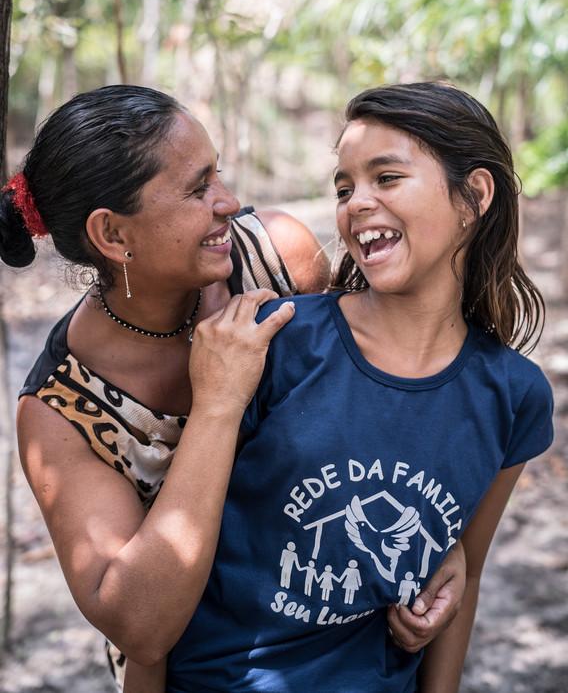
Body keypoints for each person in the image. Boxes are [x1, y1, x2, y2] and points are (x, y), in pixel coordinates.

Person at [0, 85, 465, 693]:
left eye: (218, 175)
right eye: (198, 189)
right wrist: (218, 403)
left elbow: (369, 416)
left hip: (335, 634)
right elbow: (141, 628)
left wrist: (435, 542)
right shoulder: (61, 413)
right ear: (113, 236)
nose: (230, 202)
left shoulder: (280, 261)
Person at [163, 83, 554, 693]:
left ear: (474, 195)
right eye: (344, 188)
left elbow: (462, 575)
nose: (355, 204)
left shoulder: (516, 396)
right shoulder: (279, 343)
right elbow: (176, 541)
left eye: (387, 177)